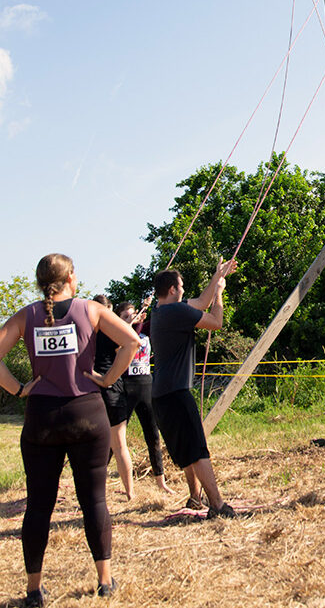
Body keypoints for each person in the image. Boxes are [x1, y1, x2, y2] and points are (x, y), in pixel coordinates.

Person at [0, 254, 140, 606]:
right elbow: (132, 342)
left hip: (42, 417)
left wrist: (18, 388)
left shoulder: (26, 315)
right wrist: (108, 379)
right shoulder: (90, 310)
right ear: (71, 279)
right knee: (94, 500)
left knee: (38, 506)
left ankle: (34, 590)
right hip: (87, 414)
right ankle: (105, 581)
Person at [150, 258, 237, 515]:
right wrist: (220, 293)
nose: (184, 290)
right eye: (182, 286)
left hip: (163, 395)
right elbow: (214, 320)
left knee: (189, 450)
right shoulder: (176, 312)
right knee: (198, 449)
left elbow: (199, 302)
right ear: (173, 290)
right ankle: (218, 505)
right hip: (176, 393)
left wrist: (216, 275)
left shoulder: (161, 310)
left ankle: (195, 498)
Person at [115, 300, 173, 494]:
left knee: (153, 436)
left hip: (146, 386)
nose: (131, 318)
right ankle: (101, 482)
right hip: (126, 388)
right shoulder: (118, 335)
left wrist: (154, 305)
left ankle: (161, 482)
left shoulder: (145, 331)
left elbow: (157, 319)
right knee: (115, 438)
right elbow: (130, 332)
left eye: (133, 314)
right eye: (126, 316)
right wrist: (140, 313)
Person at [92, 295, 135, 501]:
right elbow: (128, 349)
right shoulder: (112, 331)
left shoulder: (86, 331)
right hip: (112, 388)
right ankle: (130, 493)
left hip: (90, 389)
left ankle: (93, 493)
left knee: (92, 446)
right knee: (119, 446)